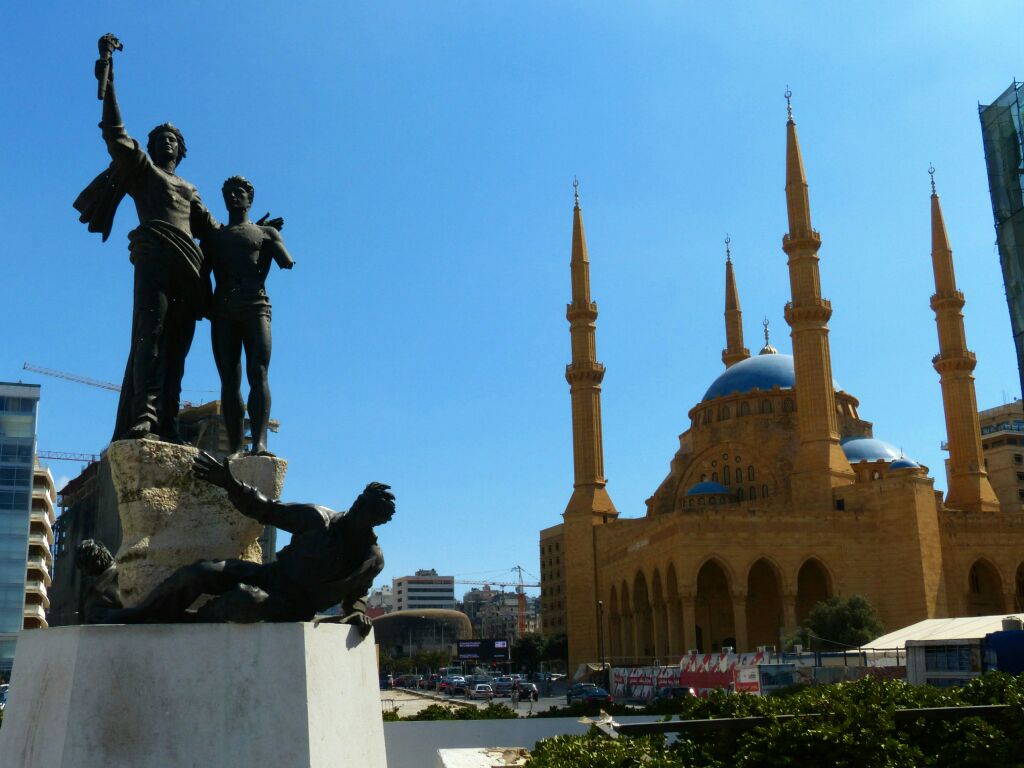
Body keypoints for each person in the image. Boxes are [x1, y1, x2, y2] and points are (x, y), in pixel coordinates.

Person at [75, 34, 218, 443]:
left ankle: (169, 422)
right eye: (159, 139)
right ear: (151, 148)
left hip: (189, 271)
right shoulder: (143, 171)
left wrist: (254, 236)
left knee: (177, 349)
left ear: (181, 149)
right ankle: (145, 418)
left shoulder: (190, 190)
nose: (165, 143)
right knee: (149, 338)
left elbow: (213, 233)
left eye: (172, 139)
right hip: (155, 258)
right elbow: (115, 134)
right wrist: (110, 80)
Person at [94, 451, 394, 635]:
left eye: (366, 512)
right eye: (358, 503)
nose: (356, 512)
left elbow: (359, 591)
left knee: (245, 601)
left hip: (293, 605)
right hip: (272, 575)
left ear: (375, 521)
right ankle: (137, 615)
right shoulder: (318, 519)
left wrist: (356, 610)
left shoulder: (372, 558)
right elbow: (266, 509)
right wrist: (230, 483)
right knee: (205, 571)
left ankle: (184, 624)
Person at [201, 176, 294, 457]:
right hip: (223, 310)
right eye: (228, 193)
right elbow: (201, 274)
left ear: (249, 199)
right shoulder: (214, 237)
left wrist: (270, 237)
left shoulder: (265, 233)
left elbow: (286, 261)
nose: (233, 197)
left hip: (256, 307)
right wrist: (205, 305)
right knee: (229, 379)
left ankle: (260, 443)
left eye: (238, 193)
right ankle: (235, 447)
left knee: (259, 372)